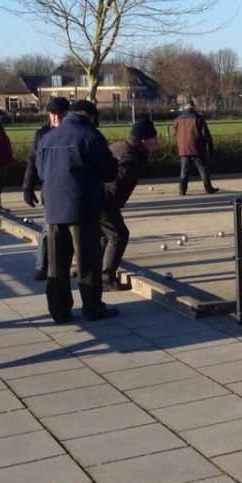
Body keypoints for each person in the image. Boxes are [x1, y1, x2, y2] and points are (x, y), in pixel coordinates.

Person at [36, 100, 119, 323]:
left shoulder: (48, 137)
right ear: (90, 116)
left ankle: (59, 311)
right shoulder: (90, 136)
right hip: (82, 208)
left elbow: (41, 172)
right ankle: (92, 307)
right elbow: (109, 172)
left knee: (57, 265)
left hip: (53, 209)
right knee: (88, 262)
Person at [101, 119, 158, 291]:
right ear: (144, 140)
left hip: (94, 197)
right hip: (103, 200)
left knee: (104, 236)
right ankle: (105, 279)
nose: (156, 143)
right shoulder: (130, 158)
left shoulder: (122, 147)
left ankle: (93, 272)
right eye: (153, 139)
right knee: (119, 235)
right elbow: (114, 185)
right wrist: (109, 206)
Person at [24, 97, 70, 281]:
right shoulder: (42, 134)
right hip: (50, 188)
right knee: (48, 227)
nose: (55, 117)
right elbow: (32, 161)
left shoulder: (72, 133)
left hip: (70, 187)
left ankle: (65, 262)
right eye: (52, 114)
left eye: (59, 114)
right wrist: (28, 186)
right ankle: (41, 265)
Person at [173, 99, 218, 195]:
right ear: (193, 107)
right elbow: (205, 134)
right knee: (202, 169)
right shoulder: (198, 118)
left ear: (184, 107)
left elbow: (175, 134)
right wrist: (210, 148)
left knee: (184, 170)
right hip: (197, 148)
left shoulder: (177, 119)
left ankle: (182, 190)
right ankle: (208, 188)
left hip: (183, 149)